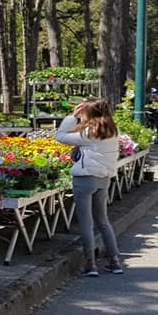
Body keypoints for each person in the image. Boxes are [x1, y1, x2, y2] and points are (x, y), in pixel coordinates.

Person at [56, 98, 121, 277]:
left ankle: (90, 263)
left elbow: (60, 137)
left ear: (88, 113)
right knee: (103, 220)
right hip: (104, 178)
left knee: (86, 222)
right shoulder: (113, 131)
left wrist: (72, 116)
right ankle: (114, 261)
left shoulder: (88, 133)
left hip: (85, 179)